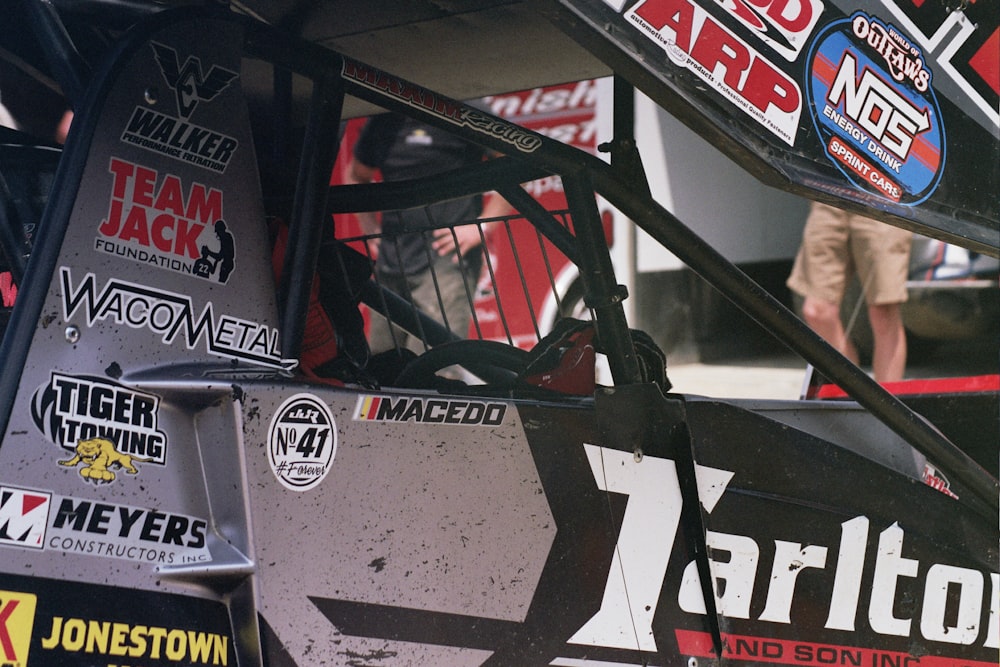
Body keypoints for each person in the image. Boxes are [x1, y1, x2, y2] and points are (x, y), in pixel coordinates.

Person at [346, 113, 510, 354]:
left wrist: (481, 227)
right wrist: (369, 226)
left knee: (435, 372)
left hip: (446, 265)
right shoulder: (383, 119)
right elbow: (356, 175)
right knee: (381, 369)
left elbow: (512, 167)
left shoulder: (463, 110)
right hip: (390, 266)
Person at [787, 201, 912, 382]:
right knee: (817, 310)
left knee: (883, 312)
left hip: (882, 195)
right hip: (831, 192)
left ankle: (886, 404)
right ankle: (854, 393)